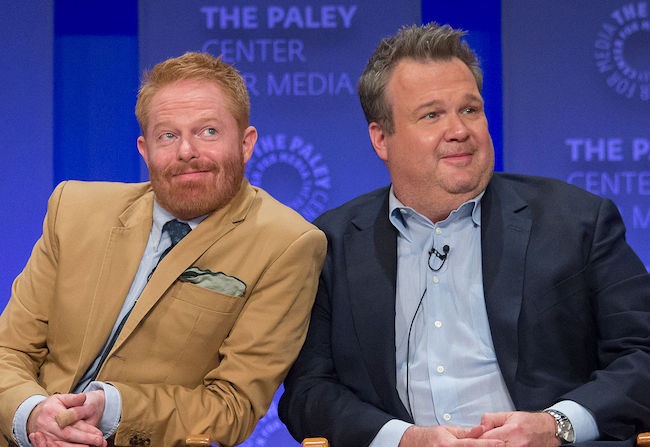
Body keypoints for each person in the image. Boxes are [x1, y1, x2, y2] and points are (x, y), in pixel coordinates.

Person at [278, 23, 650, 447]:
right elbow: (308, 392)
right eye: (432, 115)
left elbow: (643, 354)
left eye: (470, 109)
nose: (459, 130)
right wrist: (405, 440)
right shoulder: (331, 244)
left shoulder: (577, 221)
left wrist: (554, 426)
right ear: (381, 139)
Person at [0, 52, 326, 447]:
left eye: (207, 131)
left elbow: (232, 408)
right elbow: (10, 349)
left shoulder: (286, 244)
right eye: (168, 136)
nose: (186, 151)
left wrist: (111, 410)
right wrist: (33, 412)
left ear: (246, 143)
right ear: (144, 148)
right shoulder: (73, 208)